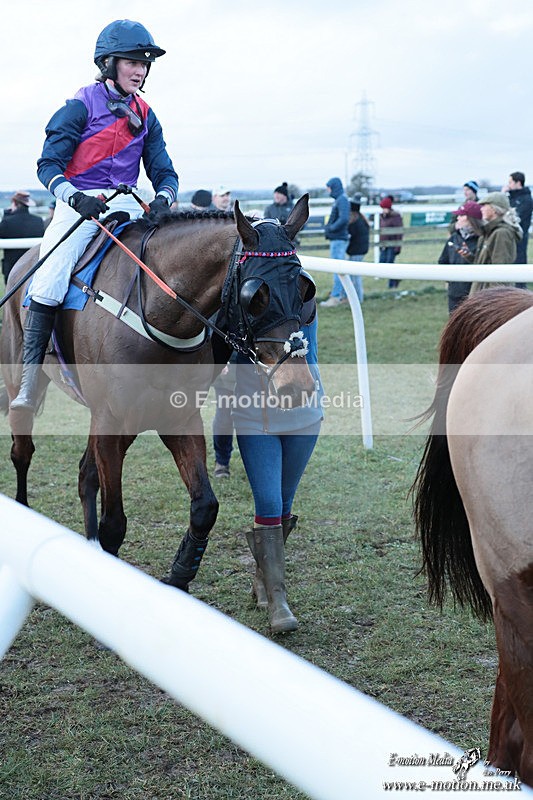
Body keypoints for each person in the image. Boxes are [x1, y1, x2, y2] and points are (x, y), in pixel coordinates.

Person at [10, 19, 179, 411]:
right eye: (132, 62)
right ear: (108, 64)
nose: (140, 70)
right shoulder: (78, 105)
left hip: (127, 203)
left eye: (145, 63)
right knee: (49, 278)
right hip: (78, 205)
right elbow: (48, 164)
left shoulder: (147, 114)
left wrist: (165, 198)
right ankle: (28, 381)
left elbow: (164, 170)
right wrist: (74, 198)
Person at [233, 314, 323, 633]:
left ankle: (263, 577)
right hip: (254, 415)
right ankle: (277, 600)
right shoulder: (238, 292)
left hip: (304, 412)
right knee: (269, 504)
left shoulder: (302, 285)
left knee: (284, 503)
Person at [459, 192, 522, 293]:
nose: (481, 209)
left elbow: (500, 271)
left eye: (484, 205)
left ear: (494, 209)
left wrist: (493, 302)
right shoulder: (488, 232)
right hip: (483, 292)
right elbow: (485, 264)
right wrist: (469, 256)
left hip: (490, 296)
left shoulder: (501, 233)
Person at [437, 200, 483, 313]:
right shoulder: (454, 238)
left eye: (461, 215)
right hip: (455, 292)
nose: (457, 218)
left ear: (470, 218)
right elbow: (443, 261)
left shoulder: (482, 240)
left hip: (475, 293)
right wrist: (450, 281)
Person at [0, 191, 44, 285]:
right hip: (33, 267)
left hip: (11, 270)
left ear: (14, 203)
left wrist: (6, 216)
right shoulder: (38, 221)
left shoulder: (7, 222)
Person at [319, 176, 350, 307]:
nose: (328, 191)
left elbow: (343, 219)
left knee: (338, 269)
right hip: (336, 238)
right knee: (339, 269)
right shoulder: (340, 199)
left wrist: (331, 228)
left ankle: (336, 297)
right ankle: (342, 295)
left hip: (338, 239)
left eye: (329, 188)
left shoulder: (342, 200)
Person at [503, 171, 532, 268]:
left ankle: (521, 282)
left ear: (518, 183)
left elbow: (516, 218)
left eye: (510, 182)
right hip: (507, 236)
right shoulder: (510, 197)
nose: (508, 185)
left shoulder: (526, 199)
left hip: (519, 236)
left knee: (518, 262)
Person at [345, 197, 370, 303]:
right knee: (355, 276)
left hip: (356, 251)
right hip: (360, 250)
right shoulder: (361, 219)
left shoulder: (355, 222)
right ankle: (357, 298)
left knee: (355, 276)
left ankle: (358, 299)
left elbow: (350, 235)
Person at [378, 197, 403, 289]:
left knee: (390, 263)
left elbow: (399, 232)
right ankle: (396, 278)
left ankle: (392, 284)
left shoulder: (396, 217)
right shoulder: (383, 217)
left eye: (384, 208)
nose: (383, 210)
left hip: (393, 244)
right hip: (384, 244)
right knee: (383, 263)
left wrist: (398, 246)